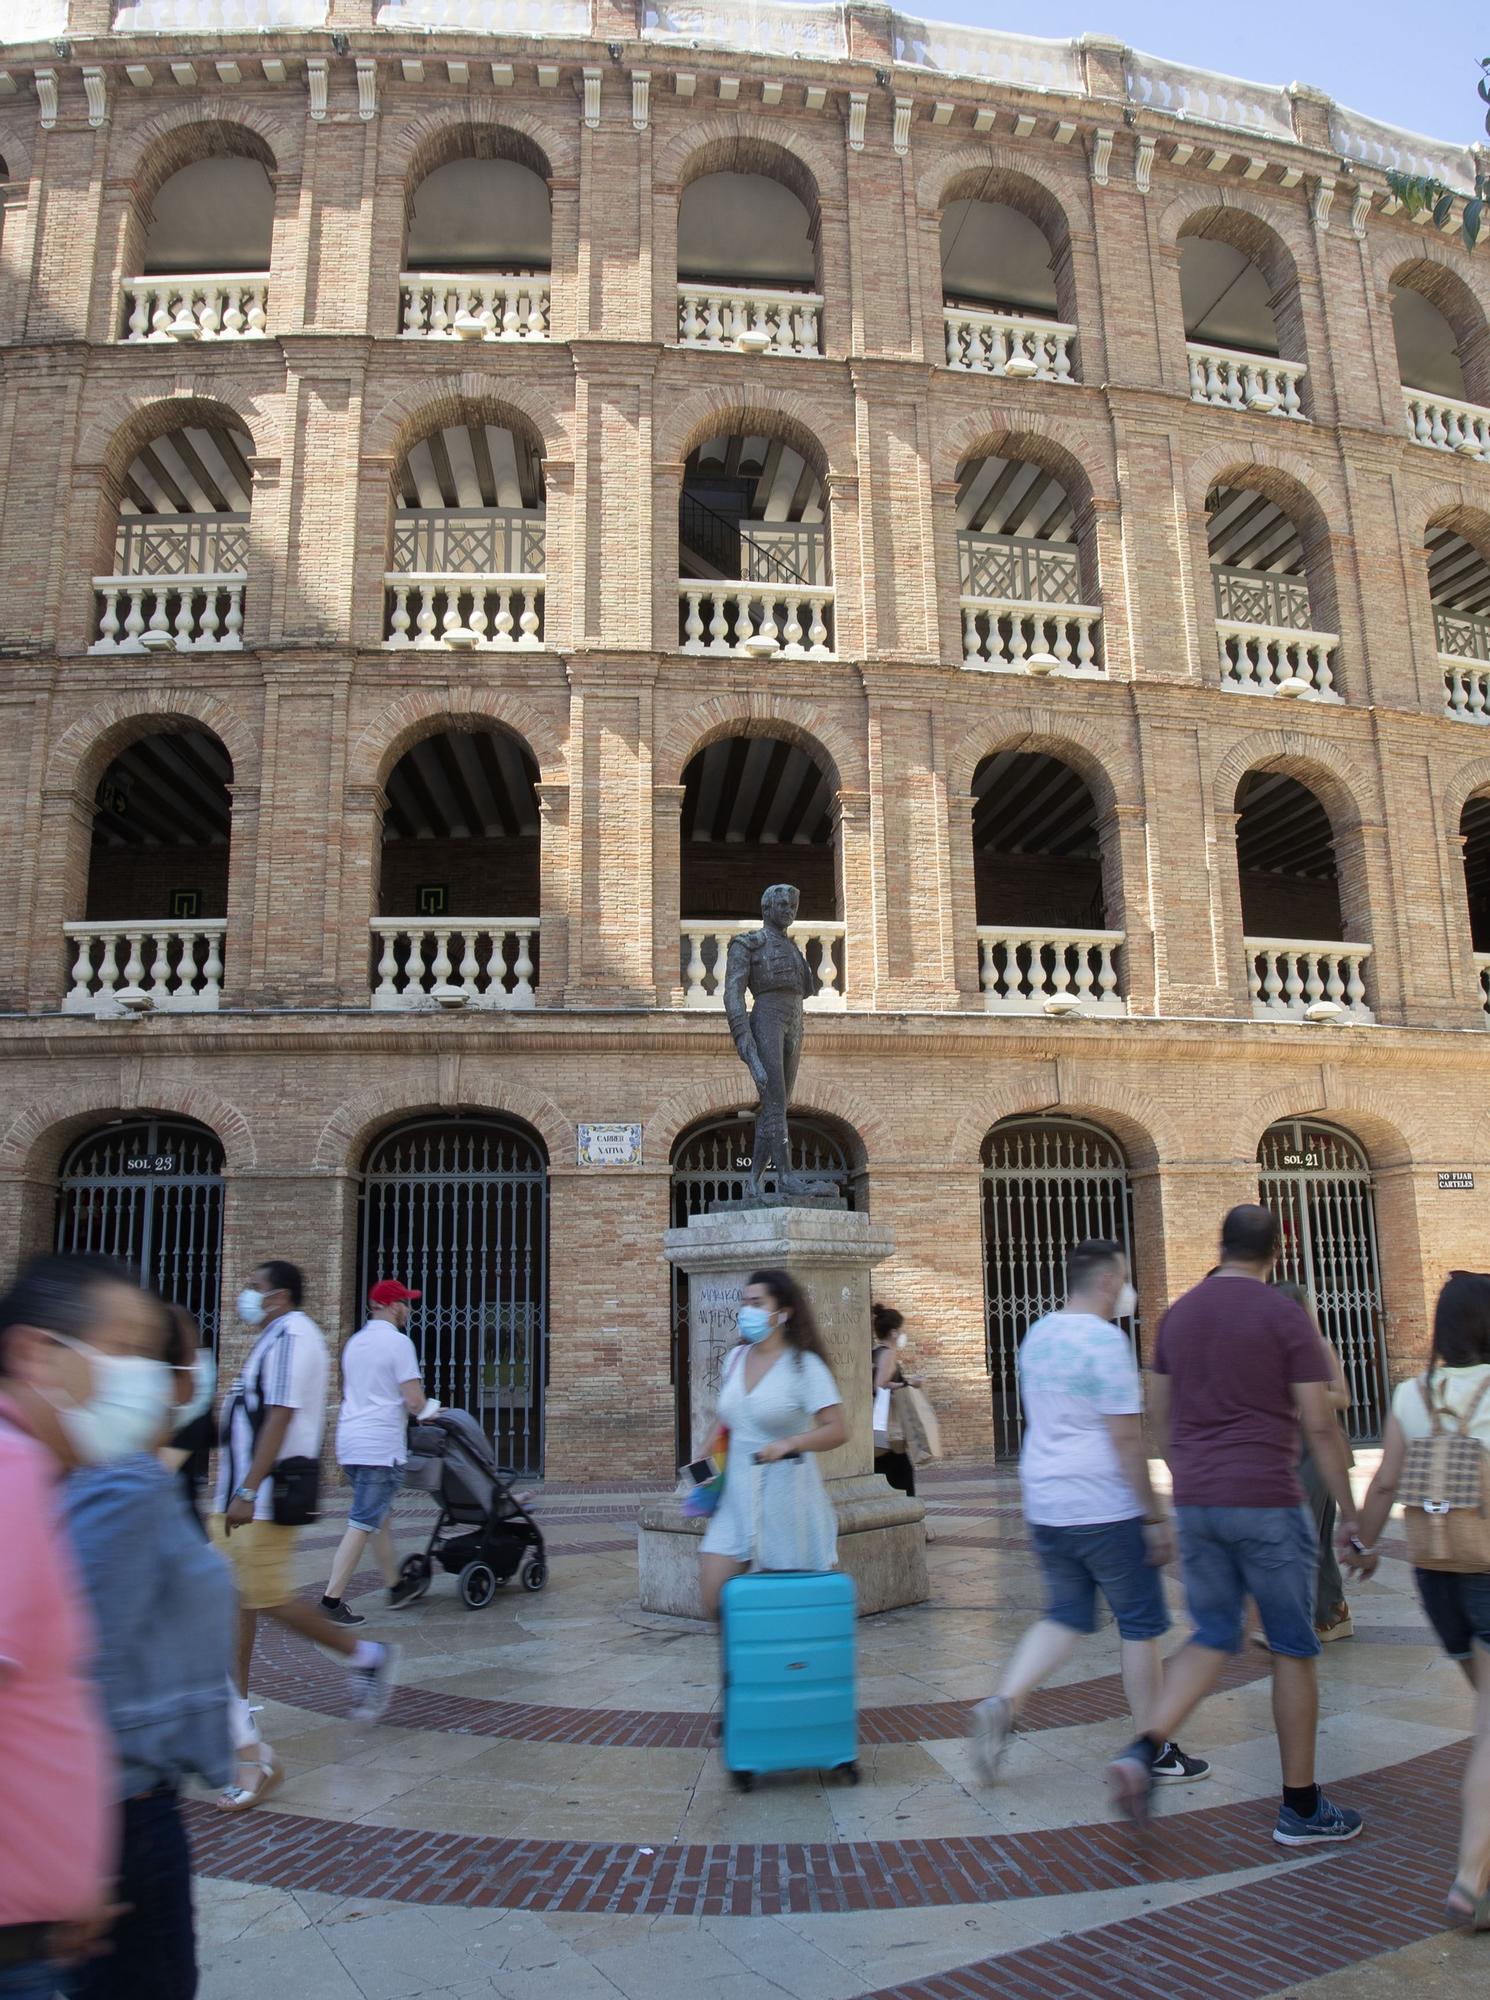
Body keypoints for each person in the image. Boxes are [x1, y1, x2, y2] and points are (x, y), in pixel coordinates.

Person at [1105, 1205, 1364, 1845]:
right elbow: (1321, 1422)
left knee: (1213, 1633)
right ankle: (1301, 1808)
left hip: (1200, 1503)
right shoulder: (1285, 1316)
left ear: (1220, 1246)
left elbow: (1156, 1417)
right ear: (1278, 1251)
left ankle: (1143, 1749)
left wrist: (1189, 1474)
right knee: (1293, 1648)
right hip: (1269, 1501)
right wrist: (1352, 1514)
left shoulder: (1179, 1316)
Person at [967, 1240, 1208, 1789]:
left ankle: (1004, 1702)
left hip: (1047, 1500)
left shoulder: (1038, 1334)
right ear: (1105, 1283)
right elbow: (1126, 1439)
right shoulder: (1105, 1344)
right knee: (1140, 1626)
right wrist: (1153, 1517)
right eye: (1123, 1278)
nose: (1128, 1290)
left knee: (1066, 1616)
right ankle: (1154, 1747)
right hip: (1105, 1503)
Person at [63, 1272, 236, 2000]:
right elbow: (79, 1661)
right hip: (120, 1816)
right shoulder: (122, 1483)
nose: (190, 1379)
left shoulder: (112, 1475)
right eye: (177, 1361)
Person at [212, 1260, 398, 1809]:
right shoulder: (272, 1338)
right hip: (241, 1498)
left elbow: (281, 1413)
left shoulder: (295, 1335)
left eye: (256, 1287)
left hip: (264, 1499)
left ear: (280, 1295)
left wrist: (247, 1489)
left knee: (262, 1599)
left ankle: (364, 1654)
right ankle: (238, 1713)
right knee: (238, 1601)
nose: (247, 1294)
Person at [0, 1256, 127, 2000]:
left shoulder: (38, 1475)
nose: (131, 1378)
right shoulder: (13, 1471)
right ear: (35, 1354)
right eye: (118, 1350)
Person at [1352, 1270, 1490, 1929]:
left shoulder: (1413, 1393)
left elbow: (1382, 1485)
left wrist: (1362, 1544)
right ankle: (1470, 1877)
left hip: (1438, 1576)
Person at [697, 1269, 847, 1618]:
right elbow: (729, 1414)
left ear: (783, 1312)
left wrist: (790, 1443)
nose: (746, 1310)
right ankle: (742, 1666)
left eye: (757, 1302)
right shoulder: (735, 1359)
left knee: (787, 1610)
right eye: (744, 1302)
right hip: (736, 1498)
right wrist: (706, 1451)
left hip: (786, 1500)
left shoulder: (804, 1367)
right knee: (712, 1597)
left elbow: (838, 1429)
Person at [320, 1278, 433, 1623]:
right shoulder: (398, 1344)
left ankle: (395, 1584)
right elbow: (414, 1401)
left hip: (351, 1442)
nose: (409, 1310)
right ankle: (331, 1601)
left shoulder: (355, 1342)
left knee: (378, 1515)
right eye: (406, 1303)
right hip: (379, 1446)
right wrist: (432, 1411)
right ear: (392, 1305)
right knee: (363, 1520)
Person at [1272, 1281, 1354, 1643]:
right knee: (1311, 1535)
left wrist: (1309, 1396)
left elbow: (1344, 1397)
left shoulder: (1319, 1346)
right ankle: (1332, 1610)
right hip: (1287, 1448)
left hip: (1319, 1449)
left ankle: (1313, 1615)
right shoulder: (1270, 1350)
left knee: (1308, 1532)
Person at [871, 1303, 917, 1499]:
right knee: (902, 1471)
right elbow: (880, 1384)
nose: (902, 1335)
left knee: (885, 1466)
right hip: (888, 1425)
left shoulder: (875, 1352)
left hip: (878, 1424)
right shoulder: (888, 1354)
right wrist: (908, 1383)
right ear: (893, 1332)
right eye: (900, 1330)